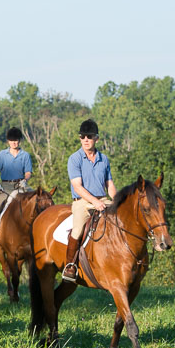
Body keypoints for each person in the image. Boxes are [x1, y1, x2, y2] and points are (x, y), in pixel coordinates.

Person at [63, 119, 117, 282]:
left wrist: (117, 201)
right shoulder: (75, 159)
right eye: (82, 136)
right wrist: (94, 202)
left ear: (96, 139)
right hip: (82, 202)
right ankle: (70, 265)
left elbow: (110, 184)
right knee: (78, 230)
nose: (85, 139)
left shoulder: (104, 159)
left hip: (102, 200)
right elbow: (77, 186)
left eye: (89, 136)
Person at [0, 127, 33, 245]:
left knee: (36, 199)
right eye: (12, 140)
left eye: (16, 140)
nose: (14, 142)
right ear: (8, 141)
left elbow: (28, 172)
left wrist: (25, 180)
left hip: (20, 184)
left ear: (19, 141)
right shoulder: (2, 154)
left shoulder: (25, 155)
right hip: (6, 185)